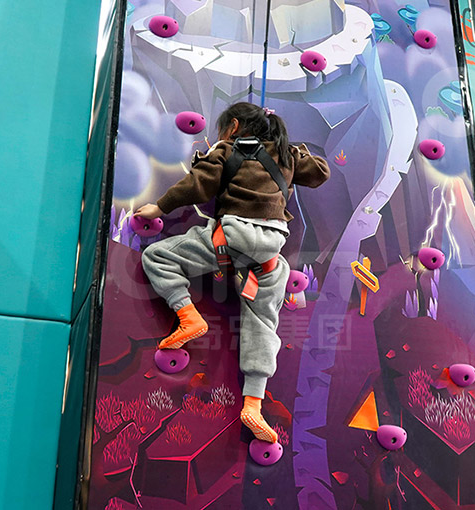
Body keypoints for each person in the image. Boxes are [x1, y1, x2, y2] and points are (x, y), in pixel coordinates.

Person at [134, 102, 330, 443]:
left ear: (235, 126)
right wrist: (291, 148)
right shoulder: (286, 155)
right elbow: (320, 172)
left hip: (231, 238)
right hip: (270, 253)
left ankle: (188, 316)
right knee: (263, 323)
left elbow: (197, 185)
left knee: (158, 256)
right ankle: (253, 404)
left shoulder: (227, 150)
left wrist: (159, 206)